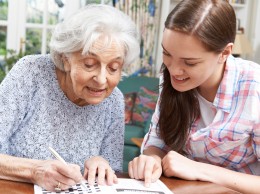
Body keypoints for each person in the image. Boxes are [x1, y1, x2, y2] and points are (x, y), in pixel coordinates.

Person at [0, 4, 139, 192]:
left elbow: (112, 171)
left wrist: (101, 164)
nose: (101, 79)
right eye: (90, 64)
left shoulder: (114, 101)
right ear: (66, 59)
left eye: (114, 67)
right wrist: (34, 170)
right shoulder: (30, 73)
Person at [128, 0, 260, 193]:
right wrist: (152, 159)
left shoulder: (253, 87)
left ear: (224, 52)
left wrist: (199, 170)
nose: (173, 70)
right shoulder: (173, 79)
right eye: (167, 54)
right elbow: (157, 141)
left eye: (189, 63)